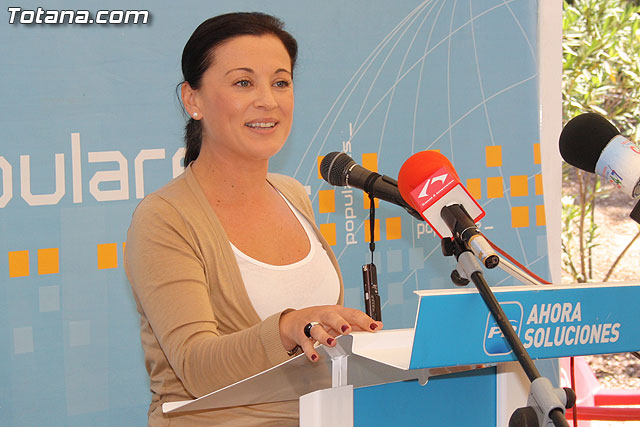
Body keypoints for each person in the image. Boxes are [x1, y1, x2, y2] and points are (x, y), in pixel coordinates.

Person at [124, 12, 383, 426]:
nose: (268, 100)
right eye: (244, 83)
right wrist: (288, 326)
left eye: (281, 82)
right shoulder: (165, 217)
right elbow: (196, 367)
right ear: (193, 100)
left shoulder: (292, 194)